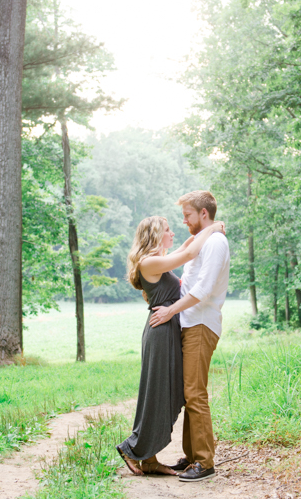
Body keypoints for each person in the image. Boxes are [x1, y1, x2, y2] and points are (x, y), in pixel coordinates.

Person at [116, 215, 226, 476]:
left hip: (167, 329)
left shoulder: (157, 261)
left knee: (165, 392)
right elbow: (188, 252)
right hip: (160, 330)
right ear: (155, 234)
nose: (172, 232)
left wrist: (202, 231)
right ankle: (131, 448)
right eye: (167, 230)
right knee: (156, 392)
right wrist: (212, 228)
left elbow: (184, 247)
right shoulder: (150, 262)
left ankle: (150, 459)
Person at [149, 191, 230, 482]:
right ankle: (192, 455)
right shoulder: (203, 240)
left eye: (187, 215)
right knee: (188, 393)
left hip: (201, 324)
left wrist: (170, 310)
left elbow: (203, 289)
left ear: (203, 214)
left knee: (196, 394)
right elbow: (187, 280)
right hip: (189, 323)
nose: (184, 220)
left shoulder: (216, 243)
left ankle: (205, 462)